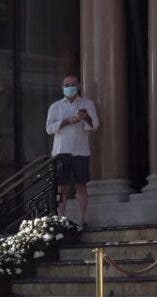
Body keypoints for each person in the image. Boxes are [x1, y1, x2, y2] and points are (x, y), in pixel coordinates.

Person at [45, 74, 98, 225]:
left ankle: (82, 219)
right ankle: (61, 219)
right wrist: (67, 121)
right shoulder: (55, 106)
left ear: (79, 86)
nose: (69, 88)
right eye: (66, 85)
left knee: (81, 185)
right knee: (62, 187)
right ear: (62, 88)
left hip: (81, 151)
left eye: (72, 85)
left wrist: (85, 117)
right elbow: (49, 128)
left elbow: (95, 125)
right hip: (61, 152)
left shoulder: (88, 104)